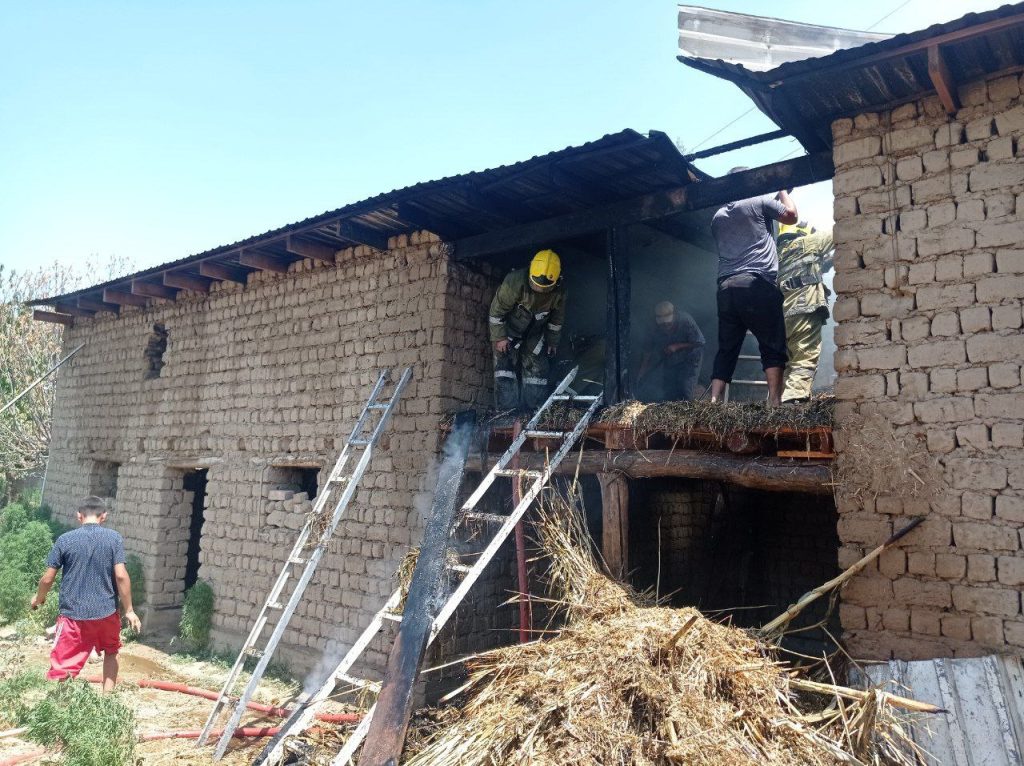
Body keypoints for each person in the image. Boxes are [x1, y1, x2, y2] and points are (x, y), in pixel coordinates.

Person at [32, 496, 142, 691]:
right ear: (104, 516)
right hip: (106, 612)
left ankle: (61, 702)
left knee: (63, 665)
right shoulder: (114, 538)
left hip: (73, 615)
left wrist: (39, 598)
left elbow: (47, 579)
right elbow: (121, 576)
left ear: (79, 516)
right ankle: (107, 699)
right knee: (111, 651)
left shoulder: (65, 540)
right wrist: (130, 610)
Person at [709, 172, 798, 407]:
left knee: (727, 349)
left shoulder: (717, 216)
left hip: (726, 288)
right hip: (756, 283)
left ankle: (714, 402)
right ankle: (775, 402)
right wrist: (782, 190)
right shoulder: (758, 201)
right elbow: (791, 216)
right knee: (772, 344)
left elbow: (744, 225)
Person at [488, 249, 567, 413]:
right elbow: (496, 312)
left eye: (545, 287)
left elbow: (556, 320)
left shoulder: (560, 292)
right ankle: (506, 412)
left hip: (535, 334)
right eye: (536, 285)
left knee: (537, 370)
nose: (539, 289)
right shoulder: (514, 282)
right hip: (509, 331)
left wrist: (552, 341)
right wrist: (500, 337)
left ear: (557, 280)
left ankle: (534, 411)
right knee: (504, 370)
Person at [777, 221, 835, 403]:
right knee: (804, 358)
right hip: (804, 308)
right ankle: (794, 402)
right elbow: (842, 230)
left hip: (783, 314)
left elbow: (807, 269)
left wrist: (828, 261)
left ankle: (782, 403)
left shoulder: (778, 254)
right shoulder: (810, 242)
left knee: (789, 361)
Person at [636, 301, 705, 401]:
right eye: (662, 325)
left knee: (685, 389)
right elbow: (647, 350)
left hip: (690, 358)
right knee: (669, 392)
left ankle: (688, 405)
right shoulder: (652, 327)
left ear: (674, 316)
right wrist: (642, 371)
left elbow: (700, 342)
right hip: (671, 360)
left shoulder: (686, 320)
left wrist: (677, 346)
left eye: (668, 324)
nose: (665, 327)